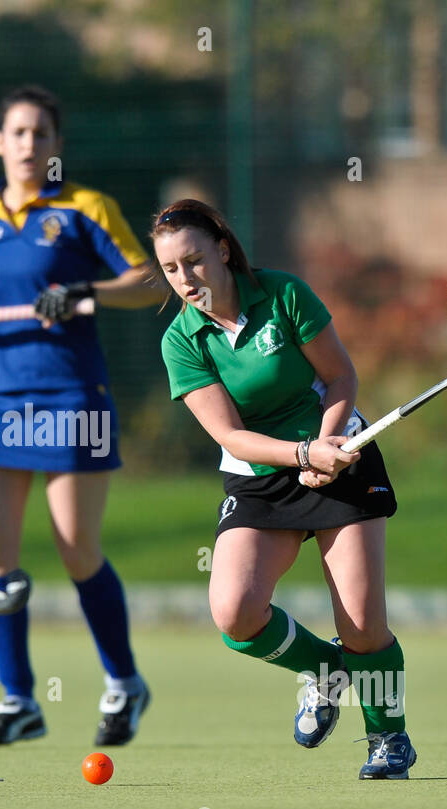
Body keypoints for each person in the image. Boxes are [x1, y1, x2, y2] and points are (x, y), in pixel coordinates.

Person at [0, 85, 164, 746]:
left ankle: (125, 682)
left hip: (69, 394)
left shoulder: (84, 209)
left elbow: (149, 280)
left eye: (41, 134)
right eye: (17, 133)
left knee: (77, 550)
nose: (28, 145)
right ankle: (19, 700)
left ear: (56, 146)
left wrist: (82, 290)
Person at [152, 199, 415, 779]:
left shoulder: (284, 295)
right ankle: (325, 671)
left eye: (193, 261)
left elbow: (340, 374)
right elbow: (231, 435)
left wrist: (329, 446)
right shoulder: (182, 340)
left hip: (342, 458)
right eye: (171, 270)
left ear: (222, 250)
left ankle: (388, 738)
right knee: (235, 613)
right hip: (262, 479)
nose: (185, 279)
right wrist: (301, 456)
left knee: (362, 625)